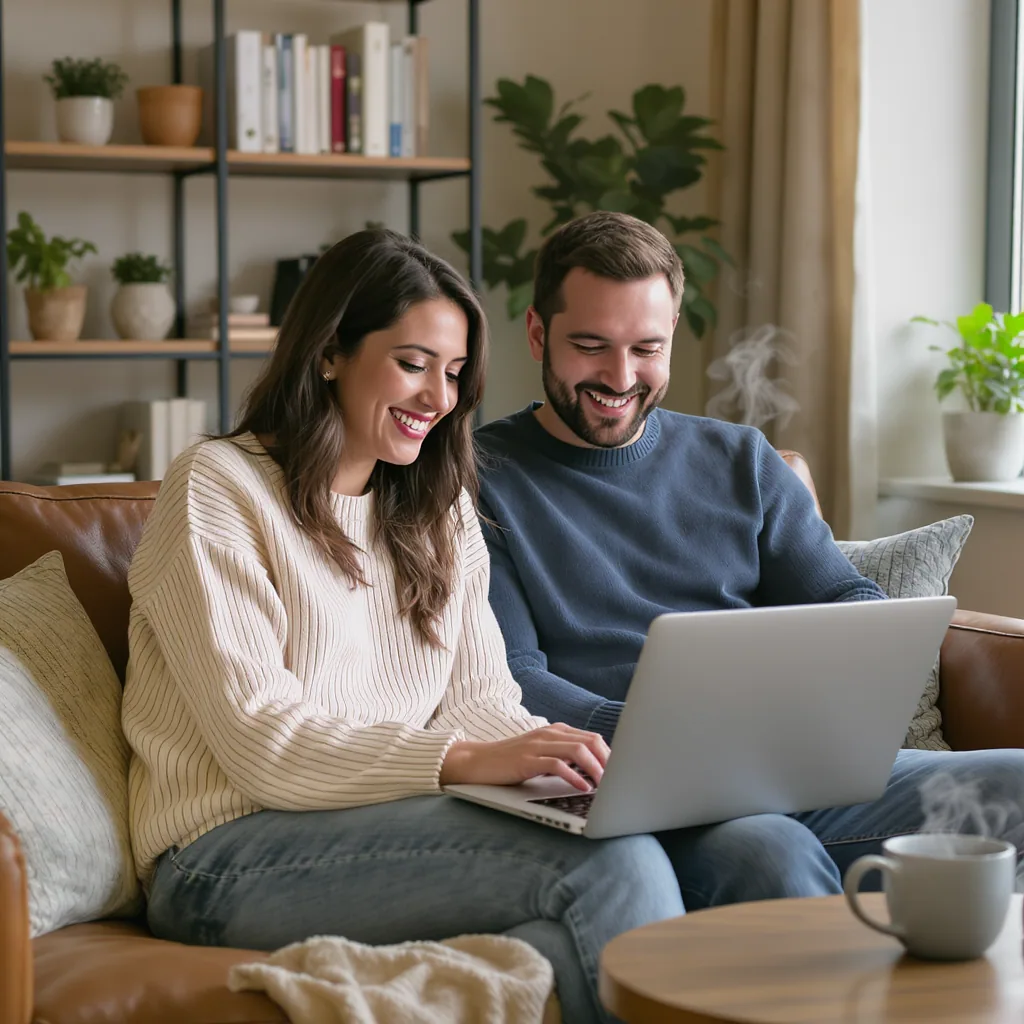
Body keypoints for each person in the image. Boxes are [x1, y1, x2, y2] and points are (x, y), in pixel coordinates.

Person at [120, 228, 685, 1024]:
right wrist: (468, 761)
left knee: (622, 872)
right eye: (413, 364)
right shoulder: (218, 488)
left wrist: (550, 773)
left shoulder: (434, 503)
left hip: (380, 825)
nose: (439, 398)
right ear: (329, 352)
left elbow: (480, 694)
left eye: (454, 373)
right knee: (613, 865)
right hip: (222, 855)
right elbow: (263, 741)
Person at [475, 210, 1024, 909]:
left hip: (786, 767)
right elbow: (512, 675)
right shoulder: (482, 478)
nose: (620, 376)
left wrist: (793, 711)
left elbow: (849, 604)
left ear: (672, 333)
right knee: (775, 857)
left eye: (646, 348)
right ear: (537, 333)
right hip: (633, 790)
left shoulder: (742, 460)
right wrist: (658, 735)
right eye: (590, 346)